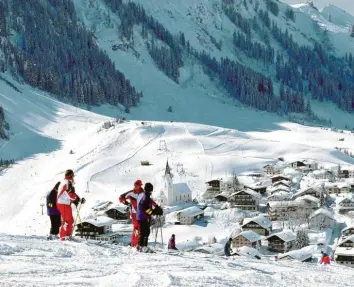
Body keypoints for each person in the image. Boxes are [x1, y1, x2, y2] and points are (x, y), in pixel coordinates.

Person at [56, 169, 85, 241]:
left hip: (65, 203)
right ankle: (63, 237)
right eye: (73, 175)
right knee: (67, 220)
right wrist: (76, 199)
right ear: (71, 175)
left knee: (70, 220)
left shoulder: (66, 182)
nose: (73, 177)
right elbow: (69, 194)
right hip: (63, 204)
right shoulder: (67, 182)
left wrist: (77, 199)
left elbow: (69, 194)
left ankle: (67, 235)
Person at [136, 183, 163, 252]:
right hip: (142, 216)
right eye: (151, 191)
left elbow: (150, 201)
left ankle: (141, 246)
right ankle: (142, 247)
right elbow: (145, 208)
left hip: (140, 216)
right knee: (145, 232)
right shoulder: (145, 197)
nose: (151, 192)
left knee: (144, 231)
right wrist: (154, 212)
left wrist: (156, 206)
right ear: (149, 190)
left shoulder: (143, 194)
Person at [119, 180, 145, 247]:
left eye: (137, 185)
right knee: (137, 228)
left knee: (140, 229)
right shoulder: (131, 193)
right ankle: (135, 244)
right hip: (134, 214)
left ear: (140, 185)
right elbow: (121, 198)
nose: (136, 187)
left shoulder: (144, 194)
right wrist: (128, 204)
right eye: (135, 185)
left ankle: (136, 244)